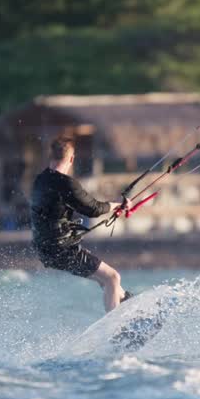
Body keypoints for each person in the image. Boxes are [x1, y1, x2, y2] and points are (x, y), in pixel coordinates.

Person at [30, 134, 132, 313]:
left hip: (45, 249)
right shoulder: (66, 184)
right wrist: (118, 204)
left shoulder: (40, 180)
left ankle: (124, 302)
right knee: (112, 277)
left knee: (107, 281)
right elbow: (93, 209)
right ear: (71, 158)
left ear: (51, 156)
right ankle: (115, 326)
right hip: (62, 249)